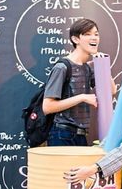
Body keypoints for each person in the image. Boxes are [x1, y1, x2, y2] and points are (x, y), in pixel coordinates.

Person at [42, 18, 100, 146]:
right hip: (61, 134)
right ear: (75, 39)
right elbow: (47, 107)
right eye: (88, 34)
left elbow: (110, 91)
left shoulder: (87, 67)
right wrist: (82, 97)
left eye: (96, 34)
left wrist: (103, 65)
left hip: (81, 135)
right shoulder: (62, 67)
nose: (94, 38)